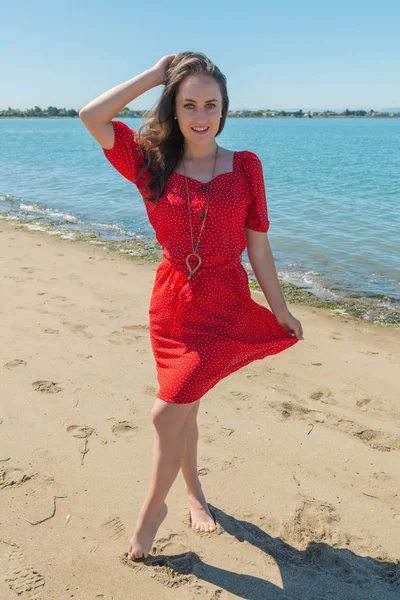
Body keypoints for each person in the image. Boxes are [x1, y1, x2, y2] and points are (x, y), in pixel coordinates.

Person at [79, 52, 304, 561]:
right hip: (172, 305)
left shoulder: (245, 165)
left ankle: (153, 510)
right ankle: (193, 492)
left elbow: (259, 247)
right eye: (189, 105)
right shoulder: (150, 161)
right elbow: (90, 116)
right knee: (183, 410)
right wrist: (157, 73)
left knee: (167, 413)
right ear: (174, 109)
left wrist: (281, 309)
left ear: (224, 109)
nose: (201, 117)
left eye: (211, 104)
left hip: (225, 302)